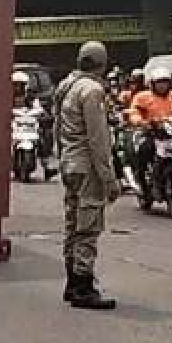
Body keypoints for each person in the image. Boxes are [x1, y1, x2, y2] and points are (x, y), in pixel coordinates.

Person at [53, 41, 122, 310]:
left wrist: (61, 159)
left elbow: (57, 128)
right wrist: (109, 179)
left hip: (69, 164)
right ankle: (83, 286)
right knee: (88, 227)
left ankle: (72, 283)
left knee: (72, 224)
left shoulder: (66, 86)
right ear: (102, 63)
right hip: (87, 167)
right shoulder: (92, 91)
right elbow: (98, 140)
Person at [127, 66, 172, 198]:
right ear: (152, 83)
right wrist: (140, 121)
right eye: (159, 82)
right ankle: (142, 180)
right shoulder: (142, 97)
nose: (162, 85)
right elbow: (134, 112)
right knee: (145, 149)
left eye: (165, 82)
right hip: (151, 133)